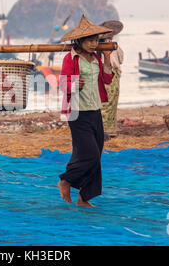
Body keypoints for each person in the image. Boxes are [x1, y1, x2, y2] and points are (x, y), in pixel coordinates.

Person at [57, 15, 114, 208]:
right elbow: (62, 84)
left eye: (96, 40)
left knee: (95, 153)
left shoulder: (97, 57)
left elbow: (107, 79)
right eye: (90, 40)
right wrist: (74, 84)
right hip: (77, 112)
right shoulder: (70, 58)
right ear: (79, 41)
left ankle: (84, 198)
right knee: (90, 155)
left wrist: (107, 58)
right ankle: (66, 181)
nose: (93, 44)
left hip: (95, 111)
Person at [99, 20, 124, 136]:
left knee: (112, 102)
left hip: (112, 74)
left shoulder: (113, 46)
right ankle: (104, 129)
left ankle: (109, 129)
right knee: (106, 102)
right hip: (106, 73)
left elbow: (120, 58)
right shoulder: (100, 47)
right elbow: (120, 59)